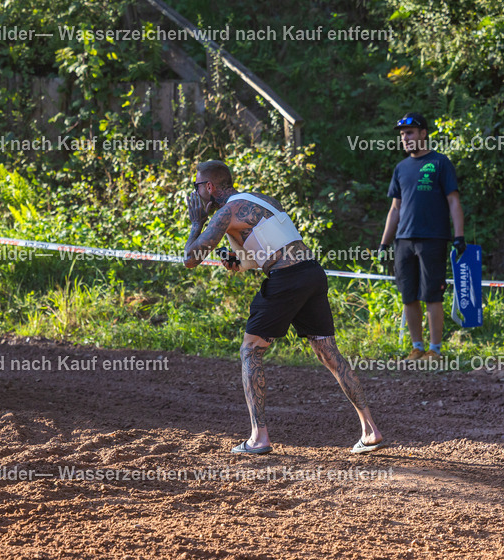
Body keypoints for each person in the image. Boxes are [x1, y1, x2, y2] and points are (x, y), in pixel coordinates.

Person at [183, 160, 384, 455]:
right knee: (328, 352)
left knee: (251, 351)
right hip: (311, 273)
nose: (196, 193)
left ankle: (258, 438)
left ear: (209, 187)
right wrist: (239, 262)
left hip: (287, 279)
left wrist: (196, 222)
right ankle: (370, 430)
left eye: (197, 186)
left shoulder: (226, 212)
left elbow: (190, 258)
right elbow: (272, 249)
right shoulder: (260, 200)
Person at [378, 112, 465, 360]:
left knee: (432, 295)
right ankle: (417, 347)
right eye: (403, 134)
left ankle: (435, 350)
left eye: (410, 133)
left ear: (423, 134)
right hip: (404, 241)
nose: (405, 138)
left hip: (433, 239)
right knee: (408, 295)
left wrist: (459, 236)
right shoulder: (401, 168)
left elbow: (454, 201)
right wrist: (384, 243)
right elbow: (395, 209)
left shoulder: (440, 163)